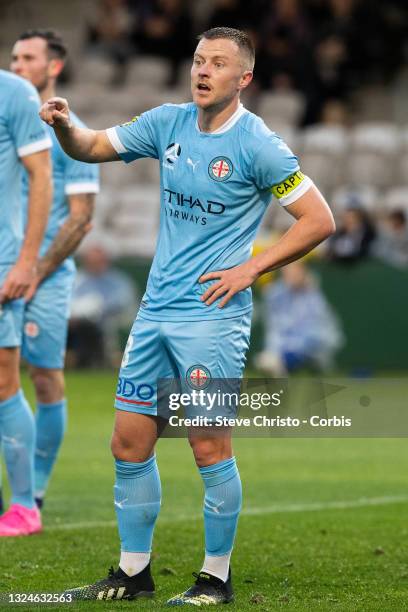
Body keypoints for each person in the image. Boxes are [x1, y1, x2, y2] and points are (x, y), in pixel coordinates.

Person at [39, 27, 335, 604]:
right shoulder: (167, 122)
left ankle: (215, 579)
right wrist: (64, 125)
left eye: (218, 63)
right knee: (128, 443)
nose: (203, 70)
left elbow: (318, 220)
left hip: (212, 318)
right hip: (155, 312)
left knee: (207, 447)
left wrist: (252, 269)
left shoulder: (260, 145)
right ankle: (132, 574)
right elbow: (92, 146)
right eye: (199, 60)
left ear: (243, 78)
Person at [9, 30, 99, 511]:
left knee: (44, 377)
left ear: (54, 68)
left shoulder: (70, 132)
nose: (18, 65)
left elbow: (81, 216)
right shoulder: (7, 124)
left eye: (29, 58)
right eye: (14, 58)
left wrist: (37, 270)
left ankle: (34, 491)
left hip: (44, 275)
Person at [0, 69, 52, 536]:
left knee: (3, 379)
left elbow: (41, 175)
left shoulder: (12, 92)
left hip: (1, 260)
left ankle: (23, 507)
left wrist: (26, 261)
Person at [256, 261, 343, 375]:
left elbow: (319, 331)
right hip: (284, 347)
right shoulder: (277, 295)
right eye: (287, 274)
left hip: (312, 346)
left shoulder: (313, 297)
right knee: (266, 360)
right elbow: (274, 329)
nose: (292, 277)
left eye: (295, 273)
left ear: (303, 273)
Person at [68, 242, 137, 368]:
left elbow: (123, 302)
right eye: (91, 262)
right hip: (78, 324)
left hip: (108, 320)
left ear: (106, 261)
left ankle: (96, 361)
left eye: (98, 261)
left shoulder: (118, 280)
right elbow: (70, 301)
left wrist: (97, 310)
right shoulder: (78, 279)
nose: (95, 265)